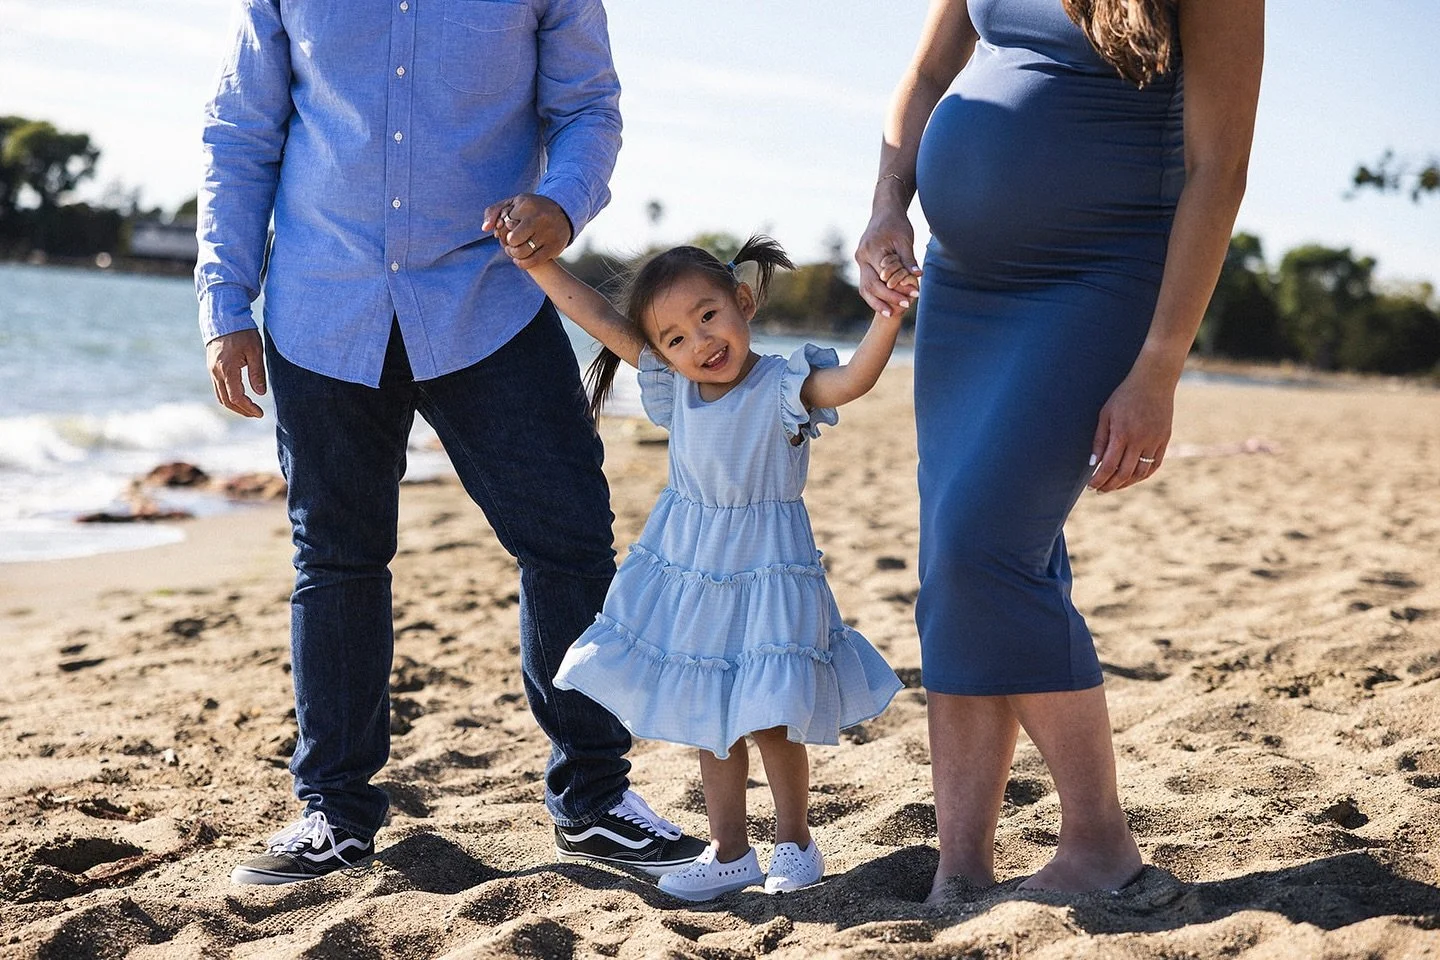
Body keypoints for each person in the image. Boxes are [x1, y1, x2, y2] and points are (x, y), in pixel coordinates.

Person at [195, 0, 705, 884]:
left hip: (490, 300)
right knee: (337, 559)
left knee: (569, 538)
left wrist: (562, 201)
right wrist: (225, 302)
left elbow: (588, 107)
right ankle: (333, 810)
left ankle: (593, 799)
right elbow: (241, 132)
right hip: (323, 301)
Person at [855, 0, 1262, 896]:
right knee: (952, 561)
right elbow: (928, 73)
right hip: (963, 287)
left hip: (1100, 276)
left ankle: (1099, 845)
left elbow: (1219, 169)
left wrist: (1159, 366)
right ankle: (962, 868)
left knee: (982, 548)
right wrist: (888, 203)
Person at [493, 229, 905, 901]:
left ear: (742, 301)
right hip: (693, 570)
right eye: (676, 337)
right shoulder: (674, 386)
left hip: (767, 571)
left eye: (709, 315)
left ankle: (796, 843)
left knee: (771, 714)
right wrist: (539, 264)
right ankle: (730, 851)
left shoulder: (781, 385)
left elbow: (853, 380)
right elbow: (597, 315)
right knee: (711, 716)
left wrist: (887, 316)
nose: (700, 342)